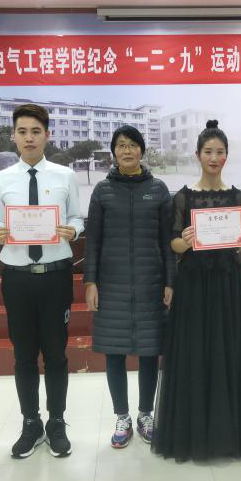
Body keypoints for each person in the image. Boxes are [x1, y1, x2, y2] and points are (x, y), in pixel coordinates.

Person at [152, 120, 241, 462]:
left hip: (227, 285)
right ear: (198, 155)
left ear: (226, 156)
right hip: (192, 285)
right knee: (195, 352)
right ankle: (192, 433)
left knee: (227, 352)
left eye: (220, 152)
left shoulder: (238, 198)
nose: (214, 158)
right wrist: (185, 241)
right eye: (208, 152)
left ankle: (229, 433)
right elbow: (172, 244)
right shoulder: (183, 197)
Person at [0, 104, 83, 460]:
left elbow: (76, 216)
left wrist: (74, 229)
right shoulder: (2, 179)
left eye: (36, 131)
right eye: (22, 131)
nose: (29, 138)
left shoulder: (65, 175)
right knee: (24, 355)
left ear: (47, 135)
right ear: (13, 136)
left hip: (55, 276)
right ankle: (31, 422)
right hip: (17, 278)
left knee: (56, 353)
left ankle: (56, 421)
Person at [84, 125, 175, 449]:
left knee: (150, 352)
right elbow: (92, 241)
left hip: (151, 283)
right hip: (112, 284)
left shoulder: (159, 189)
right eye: (121, 145)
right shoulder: (102, 191)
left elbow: (168, 241)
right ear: (114, 152)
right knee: (114, 352)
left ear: (141, 151)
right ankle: (122, 417)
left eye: (132, 145)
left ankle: (145, 414)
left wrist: (170, 281)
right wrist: (90, 282)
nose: (126, 150)